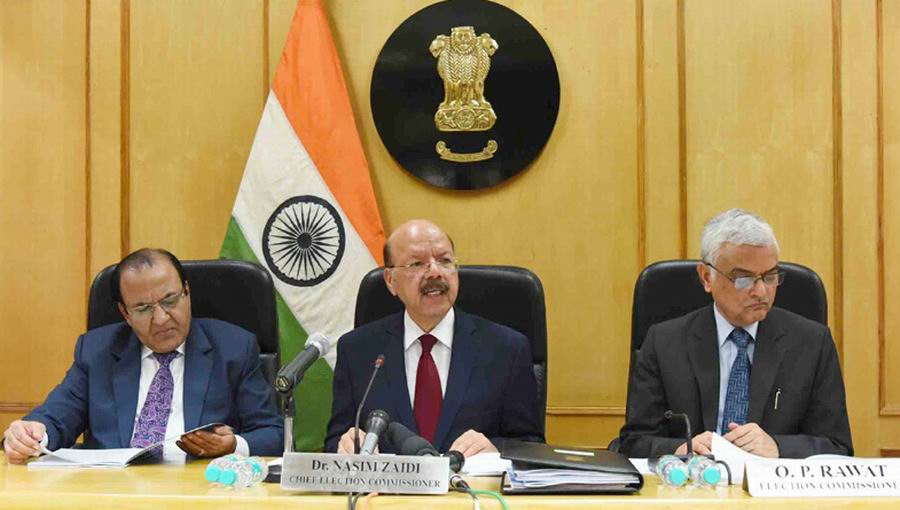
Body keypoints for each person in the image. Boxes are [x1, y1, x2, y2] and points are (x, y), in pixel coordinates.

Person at [2, 249, 283, 464]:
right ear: (125, 312)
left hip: (201, 492)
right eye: (143, 309)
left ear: (187, 293)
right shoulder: (97, 351)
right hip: (114, 494)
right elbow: (57, 416)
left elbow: (272, 434)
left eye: (170, 300)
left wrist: (232, 446)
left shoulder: (233, 347)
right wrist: (32, 434)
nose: (161, 318)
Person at [618, 208, 852, 458]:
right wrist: (680, 449)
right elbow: (634, 442)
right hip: (693, 478)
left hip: (770, 481)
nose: (761, 292)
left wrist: (778, 447)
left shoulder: (812, 343)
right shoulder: (664, 342)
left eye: (770, 277)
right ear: (706, 277)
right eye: (743, 279)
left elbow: (837, 446)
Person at [325, 219, 544, 456]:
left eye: (444, 260)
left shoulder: (507, 349)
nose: (435, 272)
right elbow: (335, 441)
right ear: (390, 280)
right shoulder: (356, 350)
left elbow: (530, 446)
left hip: (471, 481)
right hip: (386, 482)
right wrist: (346, 445)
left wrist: (495, 451)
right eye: (417, 264)